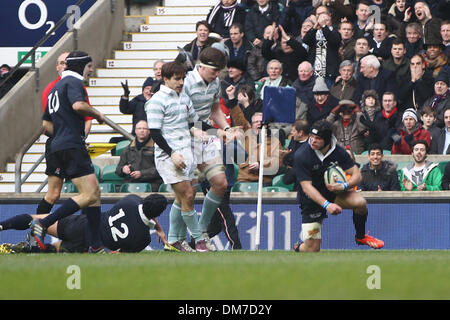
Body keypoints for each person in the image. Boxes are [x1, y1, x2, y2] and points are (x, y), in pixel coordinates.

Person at [35, 51, 106, 253]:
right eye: (89, 66)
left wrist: (62, 132)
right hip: (72, 145)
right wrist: (97, 113)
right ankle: (43, 222)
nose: (91, 70)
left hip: (57, 145)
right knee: (90, 193)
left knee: (95, 195)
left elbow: (46, 123)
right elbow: (78, 105)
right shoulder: (74, 83)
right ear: (81, 66)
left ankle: (95, 244)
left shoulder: (55, 87)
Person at [146, 61, 210, 252]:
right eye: (177, 78)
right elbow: (155, 133)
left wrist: (219, 131)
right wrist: (172, 154)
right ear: (165, 79)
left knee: (184, 198)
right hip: (169, 156)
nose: (181, 82)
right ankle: (199, 240)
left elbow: (192, 122)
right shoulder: (156, 101)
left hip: (187, 153)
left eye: (183, 78)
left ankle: (174, 240)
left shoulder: (184, 97)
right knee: (187, 195)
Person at [293, 119, 385, 252]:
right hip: (311, 199)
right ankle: (298, 247)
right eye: (312, 137)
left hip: (332, 194)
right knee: (312, 249)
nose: (313, 141)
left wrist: (344, 186)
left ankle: (360, 236)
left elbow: (357, 175)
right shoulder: (302, 155)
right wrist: (327, 205)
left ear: (327, 140)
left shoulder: (338, 151)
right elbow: (306, 187)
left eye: (318, 138)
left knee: (360, 202)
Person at [182, 48, 240, 251]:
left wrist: (225, 128)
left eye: (219, 72)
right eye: (214, 71)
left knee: (220, 183)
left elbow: (215, 110)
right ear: (201, 67)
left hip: (203, 136)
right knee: (187, 193)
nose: (217, 76)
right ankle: (177, 240)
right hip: (181, 138)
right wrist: (212, 131)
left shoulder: (215, 83)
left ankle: (202, 230)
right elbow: (182, 117)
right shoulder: (185, 82)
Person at [0, 194, 169, 253]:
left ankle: (2, 226)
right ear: (158, 214)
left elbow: (142, 209)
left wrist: (157, 226)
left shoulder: (131, 201)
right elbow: (118, 254)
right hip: (90, 246)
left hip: (80, 225)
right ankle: (20, 249)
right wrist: (157, 229)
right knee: (54, 250)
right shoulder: (143, 239)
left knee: (34, 219)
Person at [37, 52, 93, 216]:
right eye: (61, 63)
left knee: (54, 194)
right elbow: (78, 109)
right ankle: (89, 237)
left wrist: (80, 137)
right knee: (89, 193)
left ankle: (36, 231)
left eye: (66, 63)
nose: (64, 66)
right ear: (57, 66)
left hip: (61, 143)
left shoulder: (68, 86)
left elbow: (86, 119)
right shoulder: (64, 86)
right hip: (67, 144)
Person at [226, 88, 282, 185]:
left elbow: (277, 162)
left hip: (264, 181)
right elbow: (238, 117)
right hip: (244, 180)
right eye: (256, 122)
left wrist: (261, 165)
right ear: (251, 124)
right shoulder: (246, 135)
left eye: (261, 122)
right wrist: (231, 97)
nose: (258, 124)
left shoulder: (275, 141)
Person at [115, 120, 163, 192]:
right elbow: (118, 169)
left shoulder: (157, 148)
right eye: (139, 128)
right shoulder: (128, 149)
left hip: (152, 184)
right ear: (135, 131)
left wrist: (142, 174)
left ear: (149, 131)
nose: (142, 130)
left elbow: (161, 169)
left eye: (144, 128)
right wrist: (123, 169)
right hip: (131, 183)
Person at [302, 7, 341, 87]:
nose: (321, 17)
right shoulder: (314, 31)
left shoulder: (335, 31)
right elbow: (306, 40)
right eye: (319, 14)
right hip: (313, 71)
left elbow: (334, 41)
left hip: (328, 73)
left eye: (324, 13)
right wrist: (314, 27)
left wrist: (324, 26)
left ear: (329, 16)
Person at [281, 119, 310, 189]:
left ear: (300, 133)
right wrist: (285, 155)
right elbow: (287, 160)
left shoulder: (310, 146)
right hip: (293, 178)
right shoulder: (294, 140)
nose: (291, 133)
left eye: (293, 131)